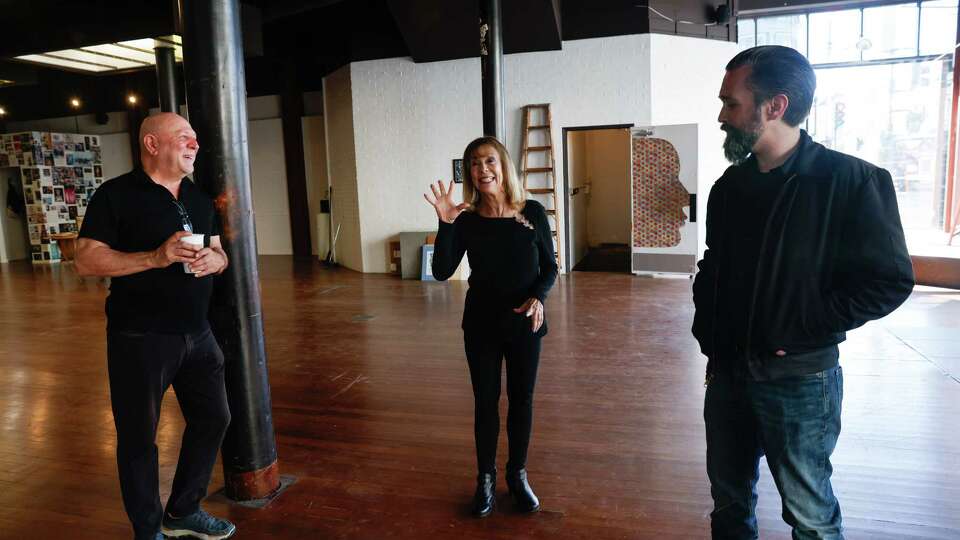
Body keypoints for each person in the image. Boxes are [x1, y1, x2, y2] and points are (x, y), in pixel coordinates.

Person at [692, 45, 915, 539]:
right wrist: (707, 330)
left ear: (775, 106)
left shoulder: (853, 182)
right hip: (727, 374)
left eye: (732, 103)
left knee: (810, 516)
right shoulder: (729, 187)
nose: (722, 116)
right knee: (728, 504)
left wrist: (802, 324)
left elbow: (890, 281)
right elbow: (713, 265)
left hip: (799, 380)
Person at [76, 112, 236, 540]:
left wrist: (215, 261)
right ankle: (147, 532)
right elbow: (86, 258)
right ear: (152, 144)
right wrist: (154, 257)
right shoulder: (116, 196)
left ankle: (183, 509)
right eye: (184, 137)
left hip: (197, 334)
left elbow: (220, 254)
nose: (194, 144)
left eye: (195, 138)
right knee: (138, 439)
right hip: (140, 337)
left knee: (214, 419)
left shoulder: (198, 198)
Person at [424, 136, 558, 517]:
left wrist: (538, 297)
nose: (482, 170)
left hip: (524, 324)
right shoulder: (465, 219)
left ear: (503, 165)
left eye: (489, 161)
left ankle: (516, 475)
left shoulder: (532, 212)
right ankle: (485, 479)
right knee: (486, 403)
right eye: (474, 164)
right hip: (481, 324)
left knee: (522, 401)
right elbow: (441, 272)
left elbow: (549, 267)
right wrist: (445, 223)